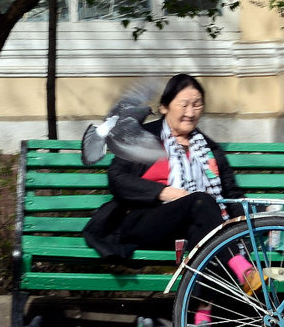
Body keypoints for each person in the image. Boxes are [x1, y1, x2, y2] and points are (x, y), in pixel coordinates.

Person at [83, 73, 245, 266]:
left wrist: (262, 215)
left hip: (192, 228)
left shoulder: (210, 149)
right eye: (184, 105)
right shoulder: (143, 137)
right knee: (201, 201)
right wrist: (163, 193)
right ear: (164, 107)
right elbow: (117, 178)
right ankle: (240, 267)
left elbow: (232, 195)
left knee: (201, 237)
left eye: (197, 104)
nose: (191, 113)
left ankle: (200, 295)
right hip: (144, 223)